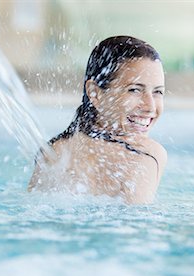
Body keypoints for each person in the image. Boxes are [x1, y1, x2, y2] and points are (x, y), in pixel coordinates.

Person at [28, 36, 167, 204]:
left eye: (158, 92)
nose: (150, 106)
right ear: (95, 93)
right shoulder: (147, 155)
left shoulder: (53, 152)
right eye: (135, 90)